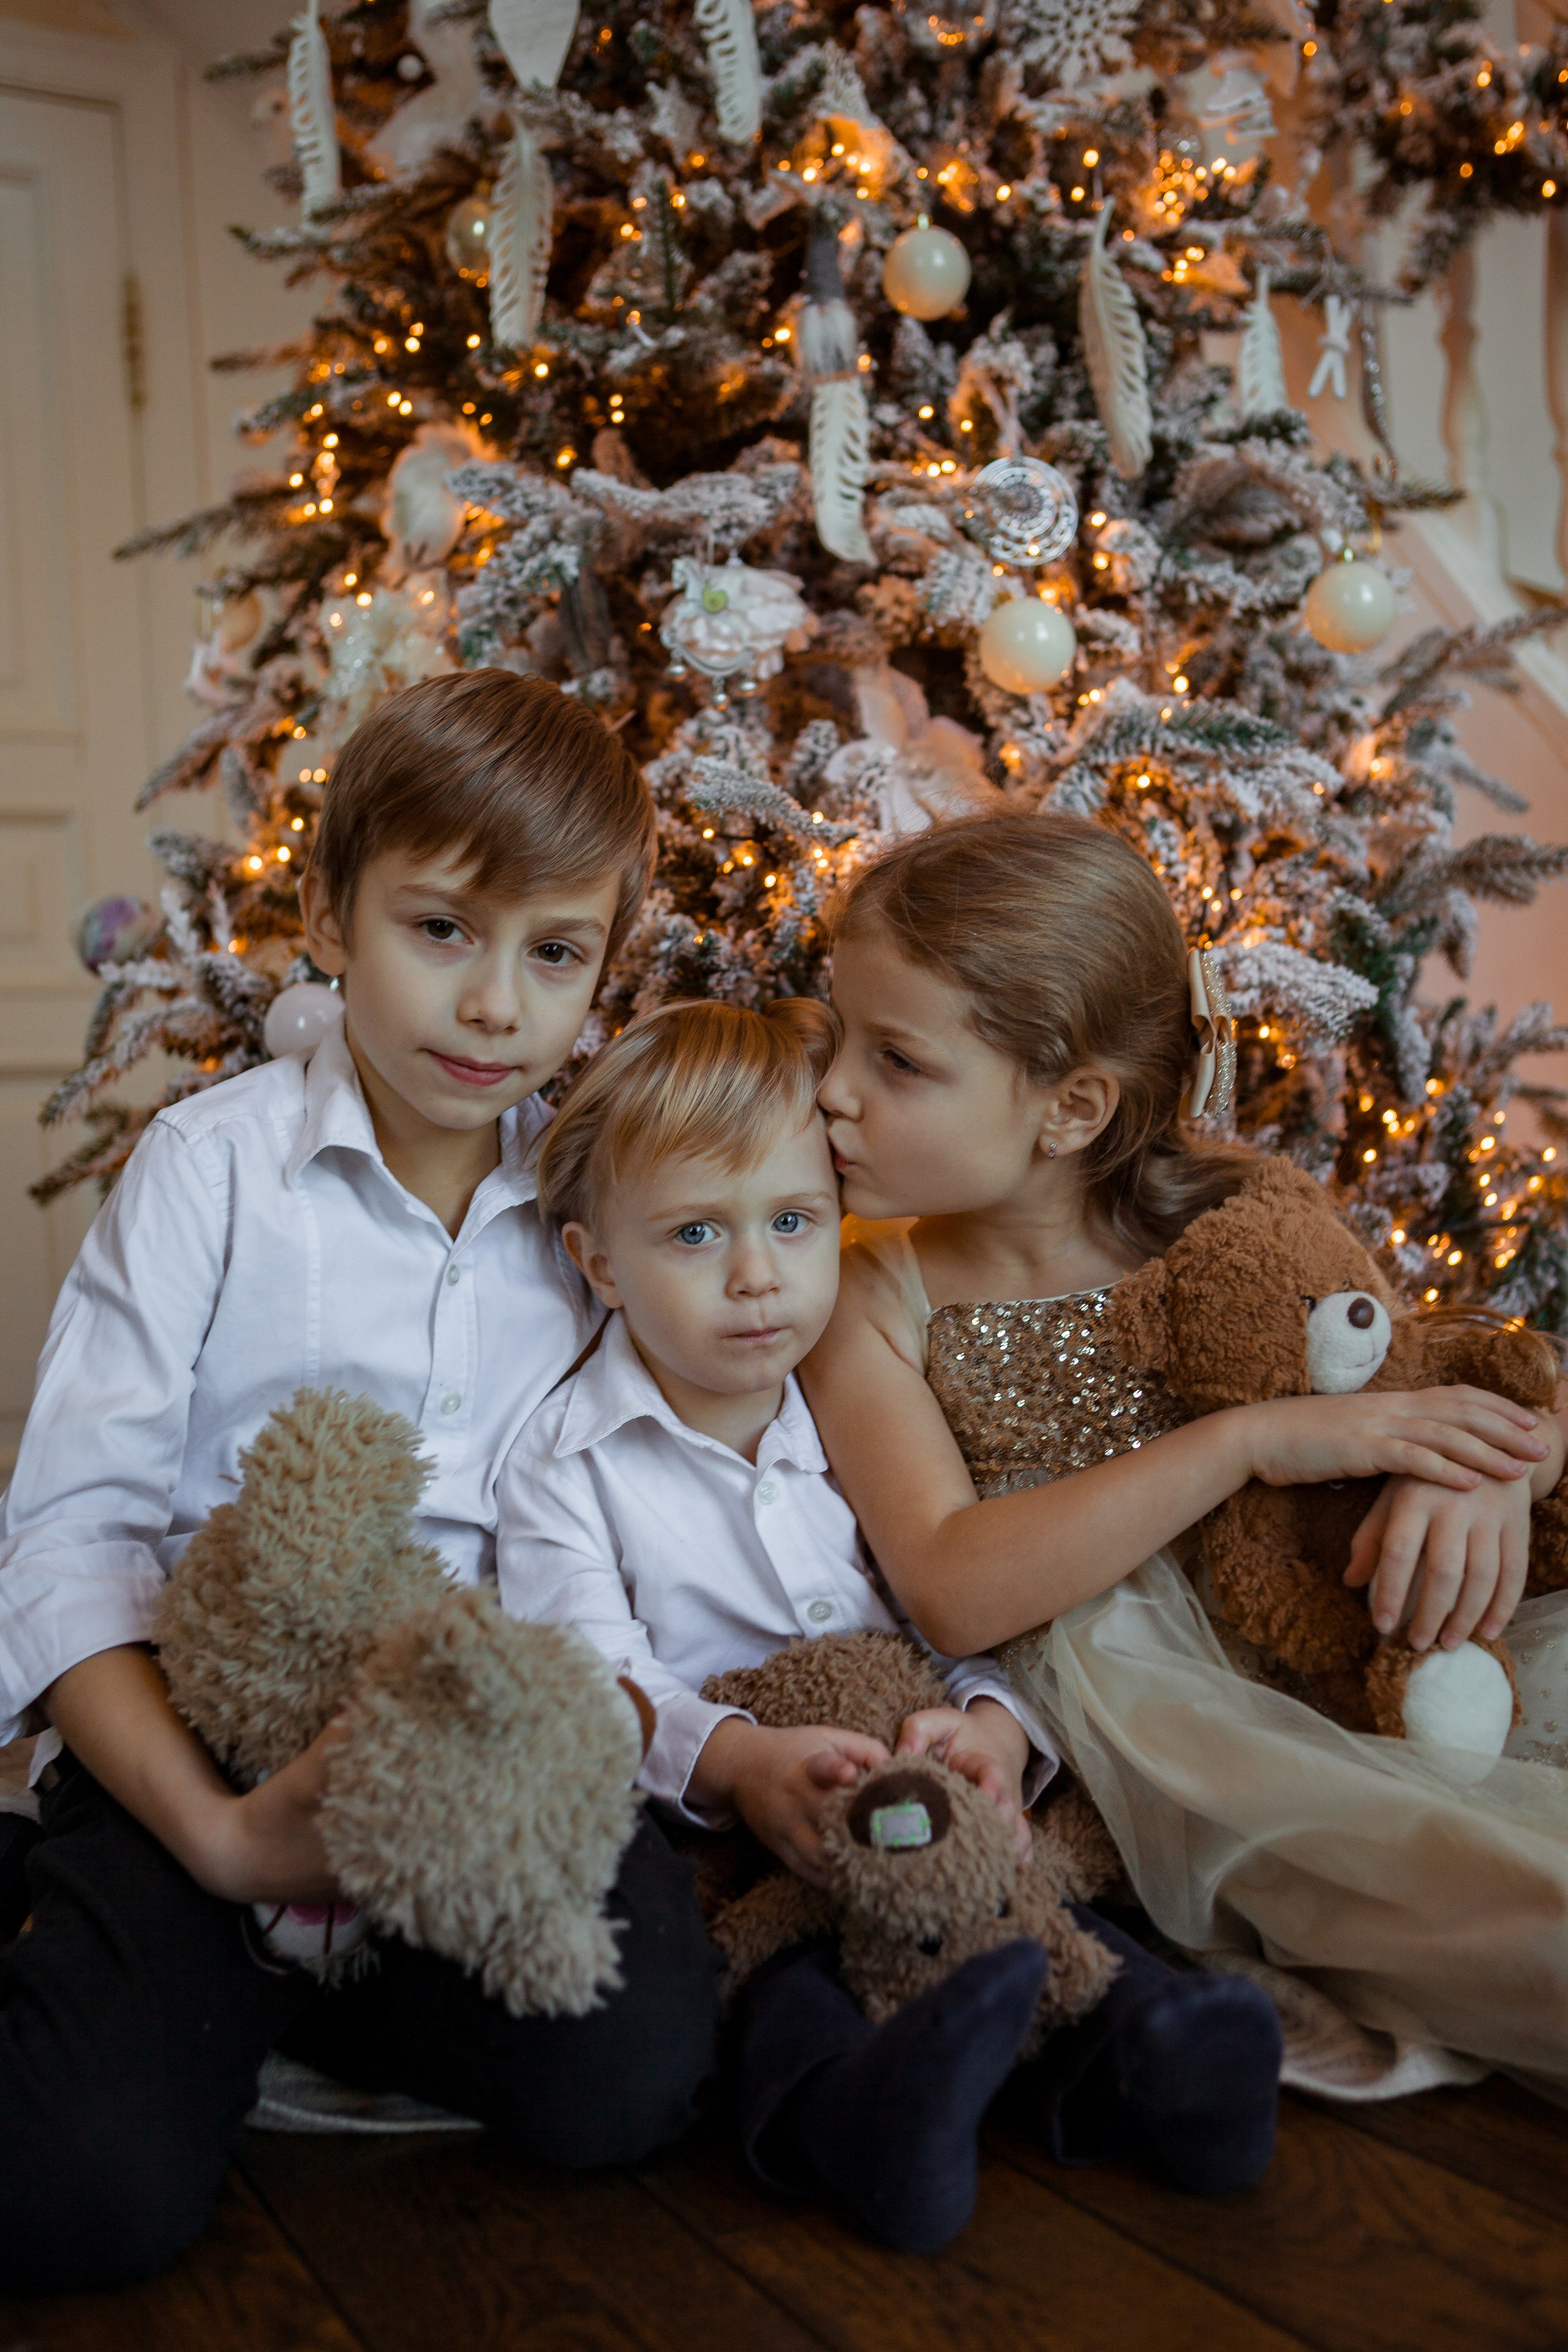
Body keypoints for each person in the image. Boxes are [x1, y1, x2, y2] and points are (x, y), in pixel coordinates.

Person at [0, 671, 720, 2293]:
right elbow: (67, 1541)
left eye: (555, 955)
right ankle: (150, 1931)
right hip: (209, 1741)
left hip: (475, 1755)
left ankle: (344, 1984)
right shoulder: (212, 1170)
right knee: (78, 2191)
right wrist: (229, 1844)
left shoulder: (597, 1211)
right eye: (443, 929)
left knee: (631, 2077)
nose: (492, 1008)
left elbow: (641, 1511)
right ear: (329, 915)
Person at [497, 996, 1286, 2260]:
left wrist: (982, 1724)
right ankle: (861, 2120)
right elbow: (586, 1674)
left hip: (918, 1789)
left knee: (1040, 1913)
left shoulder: (855, 1410)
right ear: (597, 1262)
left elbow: (957, 1607)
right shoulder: (564, 1462)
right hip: (738, 1835)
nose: (757, 1277)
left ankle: (1155, 2062)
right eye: (695, 1234)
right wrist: (737, 1761)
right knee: (780, 1985)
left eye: (794, 1224)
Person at [802, 809, 1568, 2094]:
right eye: (838, 1040)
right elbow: (948, 1579)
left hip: (1352, 1622)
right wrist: (1245, 1441)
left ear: (1072, 1107)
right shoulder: (869, 1298)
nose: (830, 1090)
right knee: (1478, 1890)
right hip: (1144, 1710)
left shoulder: (1237, 1216)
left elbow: (1427, 1386)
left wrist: (1491, 1473)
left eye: (895, 1060)